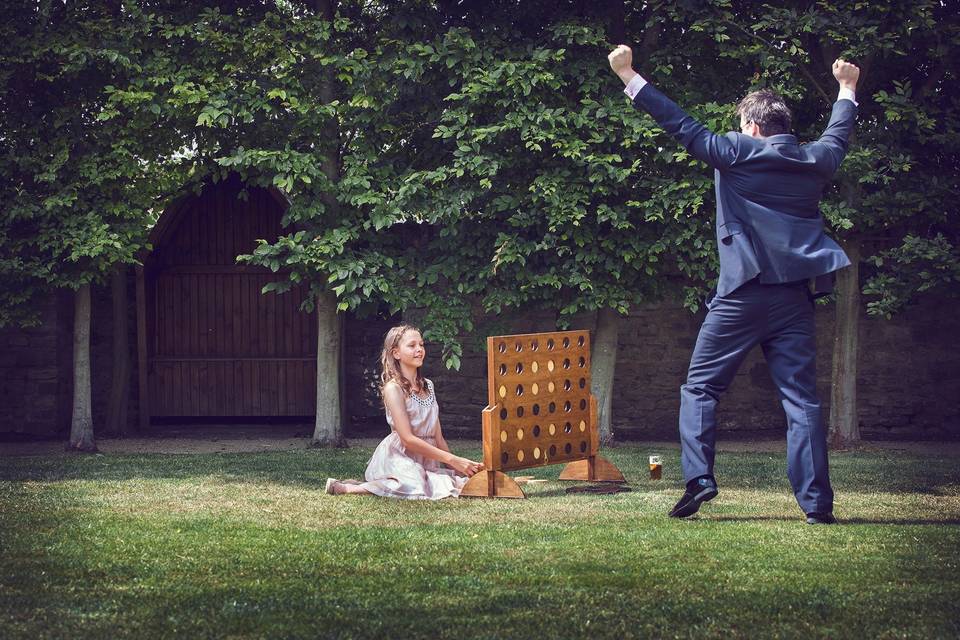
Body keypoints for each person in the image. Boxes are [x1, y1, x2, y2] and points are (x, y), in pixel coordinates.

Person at [607, 44, 860, 524]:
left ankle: (700, 479)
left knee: (701, 388)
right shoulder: (816, 161)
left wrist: (628, 74)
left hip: (742, 294)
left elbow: (681, 125)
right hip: (794, 300)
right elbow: (839, 133)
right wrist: (847, 88)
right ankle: (817, 506)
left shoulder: (738, 151)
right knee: (801, 401)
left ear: (753, 127)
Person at [325, 324, 484, 498]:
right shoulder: (393, 388)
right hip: (400, 455)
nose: (419, 349)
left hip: (426, 456)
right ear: (396, 353)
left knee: (445, 484)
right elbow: (407, 439)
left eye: (421, 345)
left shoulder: (429, 385)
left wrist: (460, 468)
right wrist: (453, 460)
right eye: (412, 345)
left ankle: (371, 485)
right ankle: (348, 488)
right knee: (414, 484)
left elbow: (438, 438)